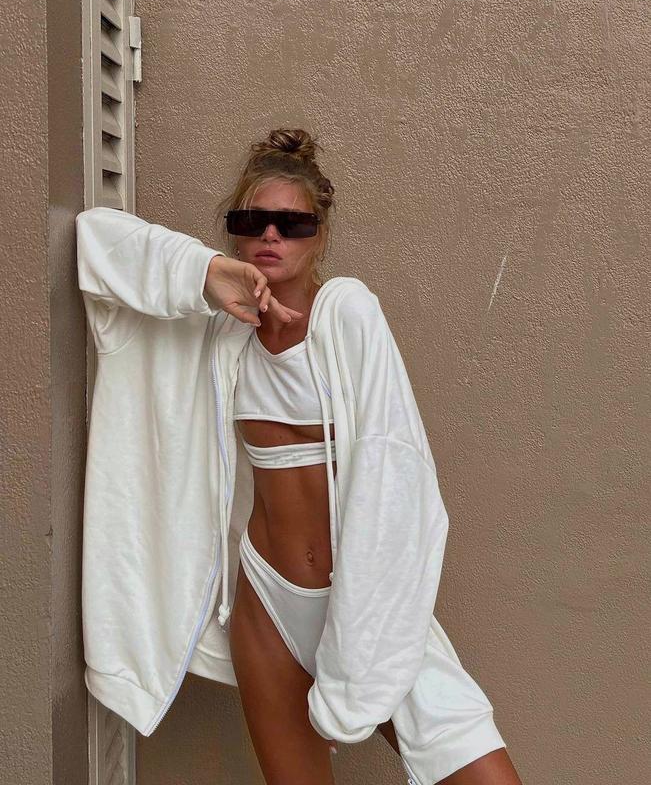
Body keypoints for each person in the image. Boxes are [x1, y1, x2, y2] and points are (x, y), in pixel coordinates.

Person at [76, 128, 523, 785]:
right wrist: (204, 273)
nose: (271, 236)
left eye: (292, 224)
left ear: (320, 234)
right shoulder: (217, 335)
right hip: (266, 606)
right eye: (251, 221)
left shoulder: (346, 313)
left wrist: (357, 655)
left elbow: (395, 474)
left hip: (364, 602)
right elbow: (93, 239)